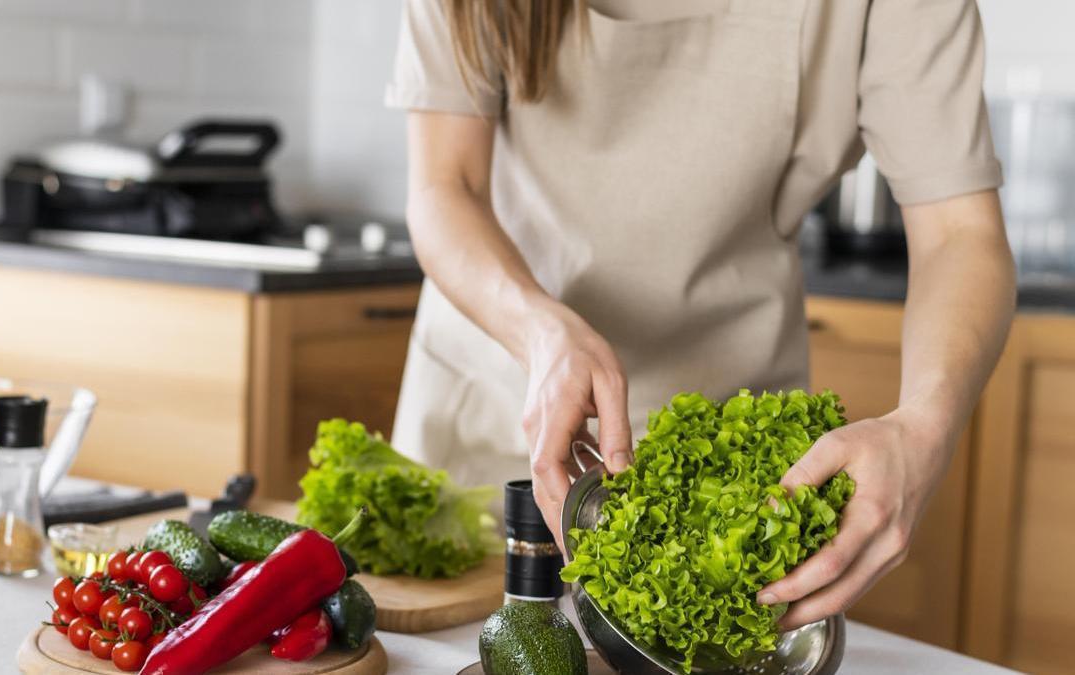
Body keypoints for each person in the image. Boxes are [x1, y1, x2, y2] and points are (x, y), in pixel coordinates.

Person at [384, 0, 1016, 630]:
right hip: (498, 405)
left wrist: (925, 427)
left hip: (732, 470)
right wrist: (541, 334)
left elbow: (959, 234)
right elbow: (447, 188)